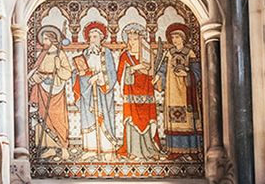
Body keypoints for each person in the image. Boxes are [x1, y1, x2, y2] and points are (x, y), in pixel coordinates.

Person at [154, 23, 202, 154]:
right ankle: (174, 150)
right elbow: (163, 69)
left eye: (177, 37)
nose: (175, 40)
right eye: (173, 37)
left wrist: (186, 74)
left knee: (188, 120)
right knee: (173, 120)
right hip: (172, 92)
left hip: (186, 92)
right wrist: (158, 77)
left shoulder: (189, 53)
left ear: (183, 38)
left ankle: (191, 150)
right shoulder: (169, 53)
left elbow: (197, 73)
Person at [116, 25, 162, 160]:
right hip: (131, 93)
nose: (132, 42)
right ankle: (133, 151)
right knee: (132, 121)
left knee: (148, 120)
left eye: (135, 39)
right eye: (130, 39)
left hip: (147, 92)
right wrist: (134, 68)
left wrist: (156, 77)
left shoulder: (148, 55)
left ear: (141, 40)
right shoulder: (125, 56)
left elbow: (153, 74)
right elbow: (120, 76)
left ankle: (150, 149)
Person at [73, 22, 118, 159]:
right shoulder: (85, 53)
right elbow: (80, 70)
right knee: (88, 118)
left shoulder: (107, 52)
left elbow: (111, 73)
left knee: (104, 116)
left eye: (96, 37)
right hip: (87, 91)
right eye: (91, 37)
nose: (93, 40)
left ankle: (107, 149)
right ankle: (91, 149)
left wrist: (98, 78)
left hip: (103, 92)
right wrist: (80, 75)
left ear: (101, 38)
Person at [28, 25, 72, 160]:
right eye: (43, 39)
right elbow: (35, 70)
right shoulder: (43, 54)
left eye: (46, 39)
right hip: (42, 89)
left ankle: (64, 148)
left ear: (53, 40)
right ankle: (51, 148)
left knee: (58, 118)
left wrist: (58, 69)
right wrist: (34, 78)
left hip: (56, 89)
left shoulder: (60, 54)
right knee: (44, 117)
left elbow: (68, 72)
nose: (44, 42)